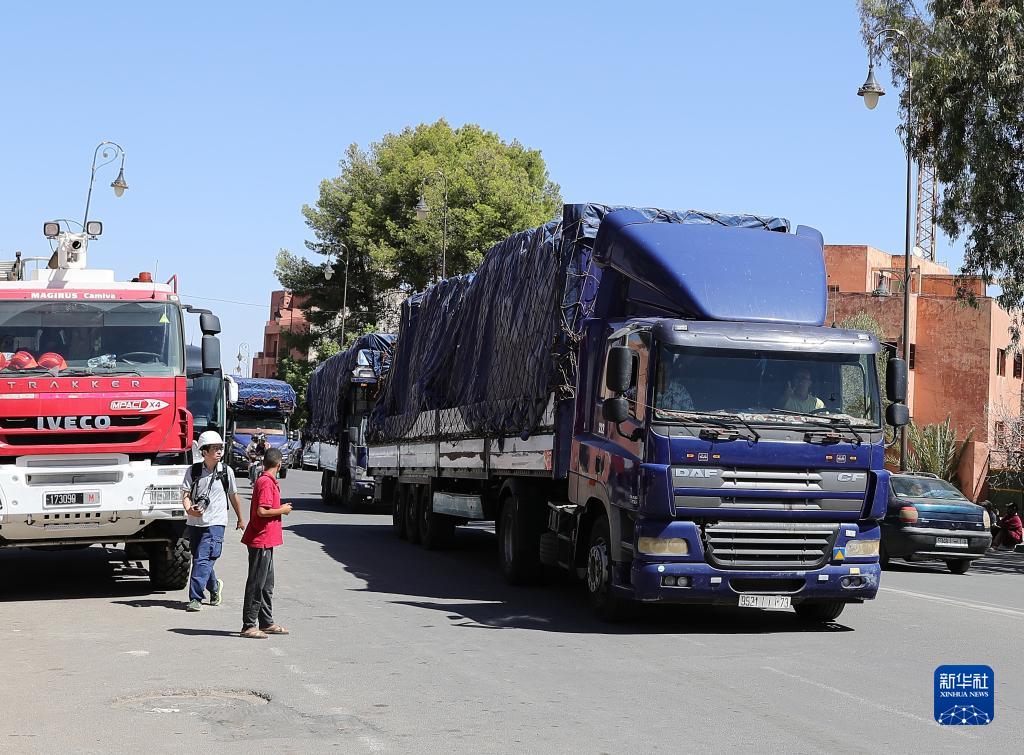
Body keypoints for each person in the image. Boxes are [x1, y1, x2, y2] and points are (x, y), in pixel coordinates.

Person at [181, 430, 246, 612]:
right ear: (204, 451)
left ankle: (195, 598)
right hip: (195, 523)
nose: (219, 452)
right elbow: (185, 495)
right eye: (215, 448)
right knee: (202, 559)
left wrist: (240, 519)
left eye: (220, 448)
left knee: (202, 560)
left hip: (216, 523)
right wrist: (189, 510)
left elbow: (233, 496)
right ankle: (215, 587)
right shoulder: (193, 471)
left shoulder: (226, 471)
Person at [240, 447, 293, 639]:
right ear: (279, 464)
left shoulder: (268, 481)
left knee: (267, 584)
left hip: (267, 539)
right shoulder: (265, 482)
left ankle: (266, 622)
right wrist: (282, 510)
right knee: (256, 583)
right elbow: (262, 511)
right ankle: (249, 625)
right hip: (260, 539)